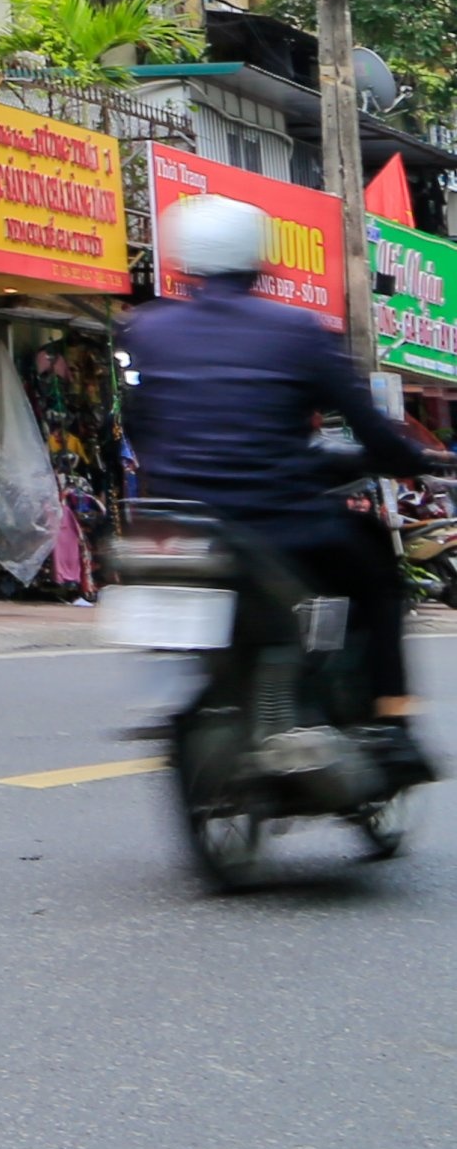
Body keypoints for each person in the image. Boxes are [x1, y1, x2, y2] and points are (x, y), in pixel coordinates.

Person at [122, 191, 454, 784]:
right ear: (257, 258)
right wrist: (412, 458)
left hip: (174, 524)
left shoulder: (147, 329)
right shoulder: (296, 330)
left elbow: (140, 425)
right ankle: (392, 724)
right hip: (275, 523)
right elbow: (372, 429)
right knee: (379, 576)